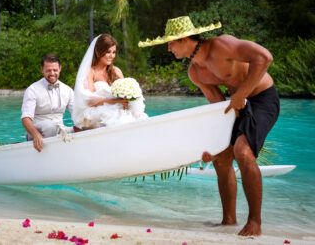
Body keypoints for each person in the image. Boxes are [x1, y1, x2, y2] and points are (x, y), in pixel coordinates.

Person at [138, 16, 280, 236]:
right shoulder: (195, 73)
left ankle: (255, 222)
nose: (168, 48)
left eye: (171, 42)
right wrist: (213, 145)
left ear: (185, 39)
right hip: (235, 106)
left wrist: (241, 94)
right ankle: (229, 220)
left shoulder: (223, 46)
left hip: (263, 98)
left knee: (243, 152)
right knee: (221, 158)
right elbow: (219, 108)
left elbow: (264, 57)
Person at [72, 34, 147, 129]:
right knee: (118, 117)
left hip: (117, 107)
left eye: (114, 52)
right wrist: (113, 101)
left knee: (139, 116)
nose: (111, 56)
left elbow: (125, 93)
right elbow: (88, 100)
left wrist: (129, 100)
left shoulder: (116, 71)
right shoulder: (90, 72)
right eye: (108, 52)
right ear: (98, 51)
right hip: (96, 110)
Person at [21, 54, 74, 152]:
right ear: (42, 70)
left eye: (55, 70)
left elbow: (76, 113)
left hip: (60, 130)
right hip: (37, 133)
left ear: (60, 69)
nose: (52, 73)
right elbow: (25, 118)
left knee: (80, 128)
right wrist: (36, 134)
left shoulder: (68, 90)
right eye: (48, 70)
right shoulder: (32, 90)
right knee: (49, 126)